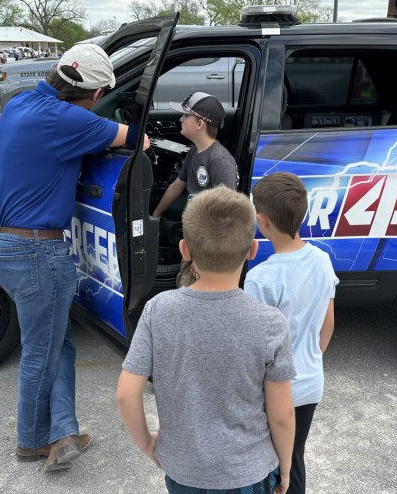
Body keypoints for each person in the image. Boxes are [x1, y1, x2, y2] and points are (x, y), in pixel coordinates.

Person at [0, 43, 146, 473]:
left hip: (1, 247)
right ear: (94, 94)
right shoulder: (70, 118)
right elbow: (140, 138)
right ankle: (34, 441)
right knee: (42, 350)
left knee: (58, 344)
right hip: (36, 252)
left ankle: (64, 432)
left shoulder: (20, 104)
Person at [117, 186, 297, 494]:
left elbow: (125, 395)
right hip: (248, 473)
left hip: (183, 472)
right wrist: (286, 467)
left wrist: (148, 444)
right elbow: (282, 415)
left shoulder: (158, 311)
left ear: (185, 250)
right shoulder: (270, 324)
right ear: (252, 250)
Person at [243, 172, 338, 494]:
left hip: (275, 391)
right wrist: (310, 359)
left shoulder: (260, 278)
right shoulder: (323, 260)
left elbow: (255, 349)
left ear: (261, 221)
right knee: (294, 459)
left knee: (271, 468)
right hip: (311, 382)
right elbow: (328, 326)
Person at [151, 92, 238, 286]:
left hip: (207, 247)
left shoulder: (219, 161)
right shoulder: (194, 153)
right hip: (192, 239)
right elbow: (177, 186)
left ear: (200, 124)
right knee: (185, 283)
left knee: (195, 289)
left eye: (186, 115)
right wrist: (156, 214)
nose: (181, 119)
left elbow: (229, 212)